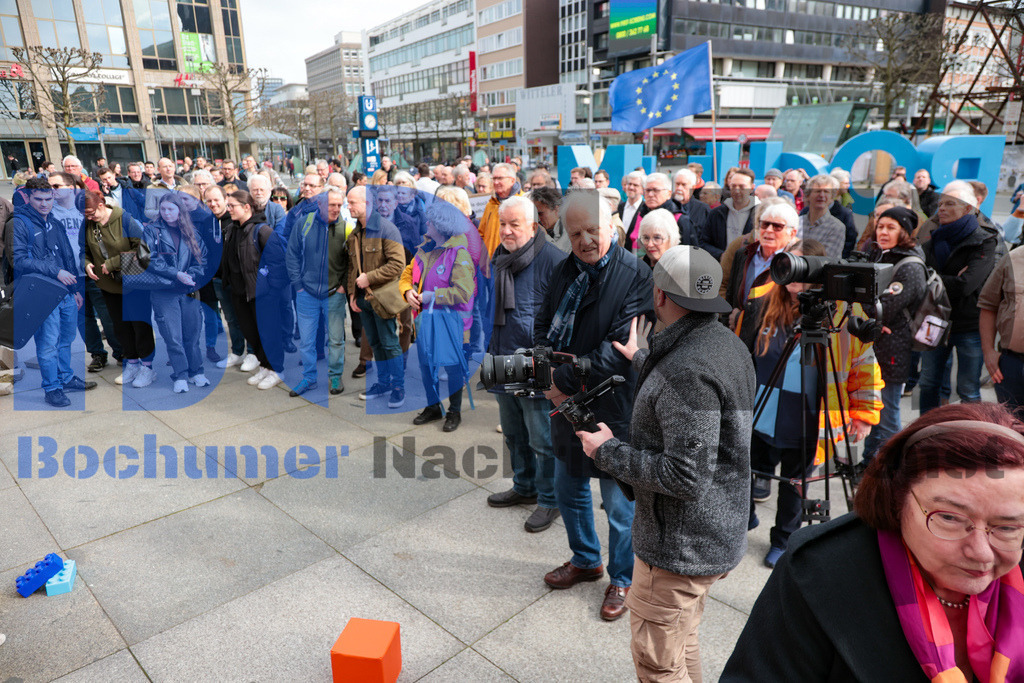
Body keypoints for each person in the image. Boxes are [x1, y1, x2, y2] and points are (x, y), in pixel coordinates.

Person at [722, 402, 1024, 683]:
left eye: (1007, 526)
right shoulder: (819, 574)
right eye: (950, 518)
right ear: (897, 498)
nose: (981, 552)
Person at [578, 245, 754, 679]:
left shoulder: (687, 368)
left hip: (679, 549)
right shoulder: (725, 343)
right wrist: (640, 358)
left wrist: (607, 451)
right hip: (710, 537)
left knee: (658, 664)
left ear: (658, 295)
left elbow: (686, 476)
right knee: (683, 639)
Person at [534, 190, 654, 621]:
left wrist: (558, 382)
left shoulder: (637, 274)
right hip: (565, 402)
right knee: (569, 490)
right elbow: (543, 323)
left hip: (614, 403)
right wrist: (545, 367)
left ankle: (623, 578)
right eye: (575, 232)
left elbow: (619, 349)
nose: (585, 240)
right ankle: (586, 560)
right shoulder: (564, 268)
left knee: (620, 505)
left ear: (612, 225)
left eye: (594, 230)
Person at [744, 239, 881, 567]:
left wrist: (863, 414)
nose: (790, 274)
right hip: (761, 413)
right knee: (744, 474)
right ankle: (740, 521)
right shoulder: (761, 301)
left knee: (794, 486)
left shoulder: (843, 317)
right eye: (788, 263)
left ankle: (784, 539)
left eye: (801, 266)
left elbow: (865, 367)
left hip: (808, 420)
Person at [485, 195, 566, 531]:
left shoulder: (554, 260)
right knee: (514, 435)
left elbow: (563, 319)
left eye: (514, 225)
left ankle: (550, 500)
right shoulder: (500, 257)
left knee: (542, 440)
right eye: (502, 224)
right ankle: (524, 486)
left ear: (534, 226)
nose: (506, 230)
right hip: (501, 355)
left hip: (534, 362)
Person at [10, 178, 97, 406]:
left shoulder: (54, 222)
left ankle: (65, 377)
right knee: (48, 343)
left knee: (66, 338)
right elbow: (18, 260)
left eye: (48, 199)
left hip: (65, 291)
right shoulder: (19, 223)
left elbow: (67, 256)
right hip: (41, 293)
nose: (44, 204)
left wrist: (75, 289)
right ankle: (52, 388)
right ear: (27, 197)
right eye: (38, 199)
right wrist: (56, 271)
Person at [919, 181, 999, 413]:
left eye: (950, 204)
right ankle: (925, 433)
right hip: (934, 320)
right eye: (941, 203)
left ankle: (968, 437)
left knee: (968, 390)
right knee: (928, 384)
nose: (941, 208)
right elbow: (920, 279)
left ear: (968, 209)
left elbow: (967, 285)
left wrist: (935, 278)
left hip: (969, 326)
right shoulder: (933, 239)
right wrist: (948, 278)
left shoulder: (985, 240)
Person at [400, 199, 476, 431]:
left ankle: (454, 411)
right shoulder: (425, 249)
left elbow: (464, 293)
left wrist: (431, 296)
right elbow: (406, 274)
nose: (426, 224)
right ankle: (433, 406)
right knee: (426, 364)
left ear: (441, 226)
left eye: (430, 221)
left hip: (452, 323)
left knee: (453, 368)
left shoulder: (459, 254)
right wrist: (406, 292)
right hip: (426, 320)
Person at [861, 207, 928, 463]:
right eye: (880, 226)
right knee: (872, 410)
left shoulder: (909, 265)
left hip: (893, 348)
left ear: (904, 232)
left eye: (891, 227)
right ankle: (870, 462)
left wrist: (868, 311)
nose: (883, 232)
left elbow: (885, 308)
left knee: (888, 415)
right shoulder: (878, 254)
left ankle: (891, 471)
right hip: (877, 343)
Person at [82, 190, 158, 389]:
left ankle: (147, 367)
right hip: (108, 286)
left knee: (140, 326)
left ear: (101, 205)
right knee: (120, 327)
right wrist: (87, 263)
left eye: (91, 213)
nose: (89, 217)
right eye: (85, 214)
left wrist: (114, 262)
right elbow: (85, 250)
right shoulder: (89, 223)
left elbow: (144, 250)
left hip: (134, 283)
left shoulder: (125, 220)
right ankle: (131, 363)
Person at [142, 193, 209, 394]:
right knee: (173, 336)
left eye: (171, 209)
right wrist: (176, 274)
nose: (167, 213)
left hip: (188, 290)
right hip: (165, 291)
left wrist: (191, 275)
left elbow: (202, 260)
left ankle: (196, 371)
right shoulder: (152, 231)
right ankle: (180, 374)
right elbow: (147, 258)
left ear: (180, 210)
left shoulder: (192, 232)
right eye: (163, 209)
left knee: (193, 334)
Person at [347, 185, 407, 408]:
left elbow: (398, 265)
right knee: (374, 343)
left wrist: (369, 278)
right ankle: (383, 384)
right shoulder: (355, 233)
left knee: (390, 343)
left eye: (352, 202)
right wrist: (353, 294)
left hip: (383, 299)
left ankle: (398, 387)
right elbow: (352, 268)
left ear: (366, 203)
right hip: (364, 300)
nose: (348, 206)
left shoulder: (386, 229)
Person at [287, 188, 348, 397]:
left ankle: (335, 377)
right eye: (332, 205)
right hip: (307, 293)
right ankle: (309, 378)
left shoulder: (346, 227)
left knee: (336, 340)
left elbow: (353, 261)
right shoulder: (303, 223)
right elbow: (292, 254)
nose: (336, 209)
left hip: (335, 293)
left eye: (340, 205)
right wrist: (298, 285)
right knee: (306, 341)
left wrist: (343, 287)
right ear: (320, 205)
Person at [224, 190, 286, 389]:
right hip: (240, 294)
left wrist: (270, 289)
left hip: (263, 295)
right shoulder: (232, 230)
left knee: (269, 333)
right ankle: (264, 366)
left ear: (247, 207)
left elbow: (278, 263)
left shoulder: (262, 231)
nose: (229, 209)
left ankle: (276, 370)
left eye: (232, 205)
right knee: (252, 333)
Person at [725, 202, 799, 341]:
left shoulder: (794, 263)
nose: (769, 230)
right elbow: (730, 296)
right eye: (765, 224)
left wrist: (742, 317)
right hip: (736, 338)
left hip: (770, 341)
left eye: (777, 226)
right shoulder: (743, 254)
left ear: (792, 233)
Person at [203, 185, 253, 371]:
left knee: (247, 318)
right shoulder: (206, 222)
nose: (213, 204)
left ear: (226, 199)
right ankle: (238, 351)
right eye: (209, 201)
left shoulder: (234, 221)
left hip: (238, 281)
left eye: (217, 200)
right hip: (218, 280)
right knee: (231, 319)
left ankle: (253, 353)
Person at [979, 242, 1024, 415]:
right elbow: (988, 305)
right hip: (1012, 366)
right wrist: (988, 351)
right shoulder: (1013, 259)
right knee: (1010, 430)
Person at [702, 168, 758, 260]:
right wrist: (722, 255)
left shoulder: (760, 215)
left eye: (742, 187)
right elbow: (703, 242)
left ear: (752, 188)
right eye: (733, 186)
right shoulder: (716, 213)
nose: (737, 190)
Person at [797, 174, 847, 259]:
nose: (822, 195)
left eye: (826, 191)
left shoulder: (837, 228)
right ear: (808, 195)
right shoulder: (797, 222)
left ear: (832, 198)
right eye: (817, 191)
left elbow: (826, 259)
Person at [673, 168, 710, 241]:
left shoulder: (703, 209)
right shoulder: (667, 206)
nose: (679, 188)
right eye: (677, 184)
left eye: (684, 185)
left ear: (692, 188)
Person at [531, 187, 569, 253]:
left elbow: (560, 255)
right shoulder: (538, 225)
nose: (538, 218)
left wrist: (544, 236)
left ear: (557, 209)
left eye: (540, 214)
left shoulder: (568, 227)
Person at [618, 171, 645, 236]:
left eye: (635, 185)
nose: (631, 187)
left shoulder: (645, 210)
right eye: (629, 184)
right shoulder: (619, 207)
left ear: (642, 189)